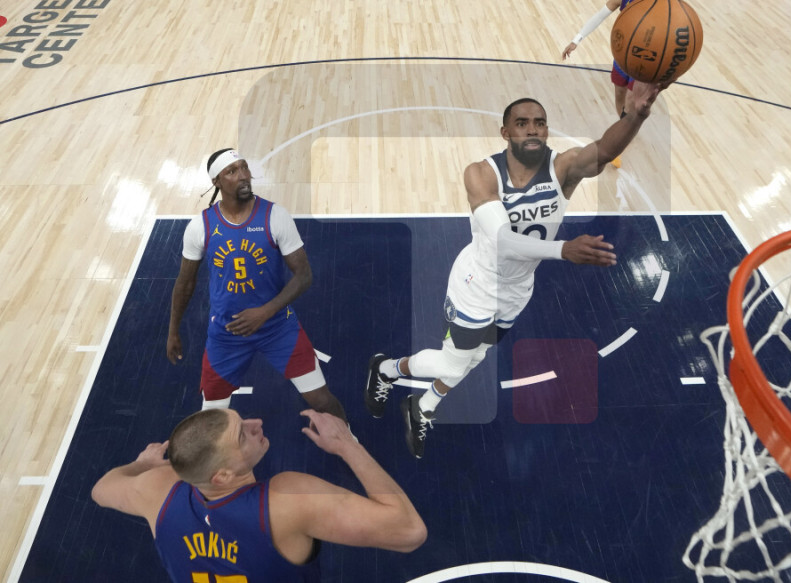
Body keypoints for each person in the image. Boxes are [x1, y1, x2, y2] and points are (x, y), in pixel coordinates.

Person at [365, 82, 665, 459]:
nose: (532, 129)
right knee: (453, 363)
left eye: (539, 123)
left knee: (476, 356)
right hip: (476, 286)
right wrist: (564, 249)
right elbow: (504, 241)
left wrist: (636, 115)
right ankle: (388, 372)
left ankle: (419, 404)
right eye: (522, 123)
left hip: (518, 290)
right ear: (505, 132)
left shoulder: (563, 169)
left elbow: (604, 150)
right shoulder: (481, 174)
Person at [92, 408, 427, 581]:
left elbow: (101, 488)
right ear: (222, 476)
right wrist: (346, 445)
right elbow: (409, 531)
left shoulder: (156, 488)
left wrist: (142, 464)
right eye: (242, 435)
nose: (256, 424)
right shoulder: (285, 501)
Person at [167, 149, 347, 421]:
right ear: (217, 181)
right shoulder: (200, 227)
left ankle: (349, 439)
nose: (242, 176)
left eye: (244, 167)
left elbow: (304, 275)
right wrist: (173, 330)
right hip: (226, 333)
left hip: (277, 327)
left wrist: (265, 312)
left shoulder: (275, 216)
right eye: (232, 171)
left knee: (322, 400)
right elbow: (185, 283)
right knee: (211, 416)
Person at [561, 0, 671, 167]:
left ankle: (619, 141)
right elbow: (599, 16)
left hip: (646, 59)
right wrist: (576, 40)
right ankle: (626, 127)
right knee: (620, 94)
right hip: (623, 55)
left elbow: (676, 27)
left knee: (631, 100)